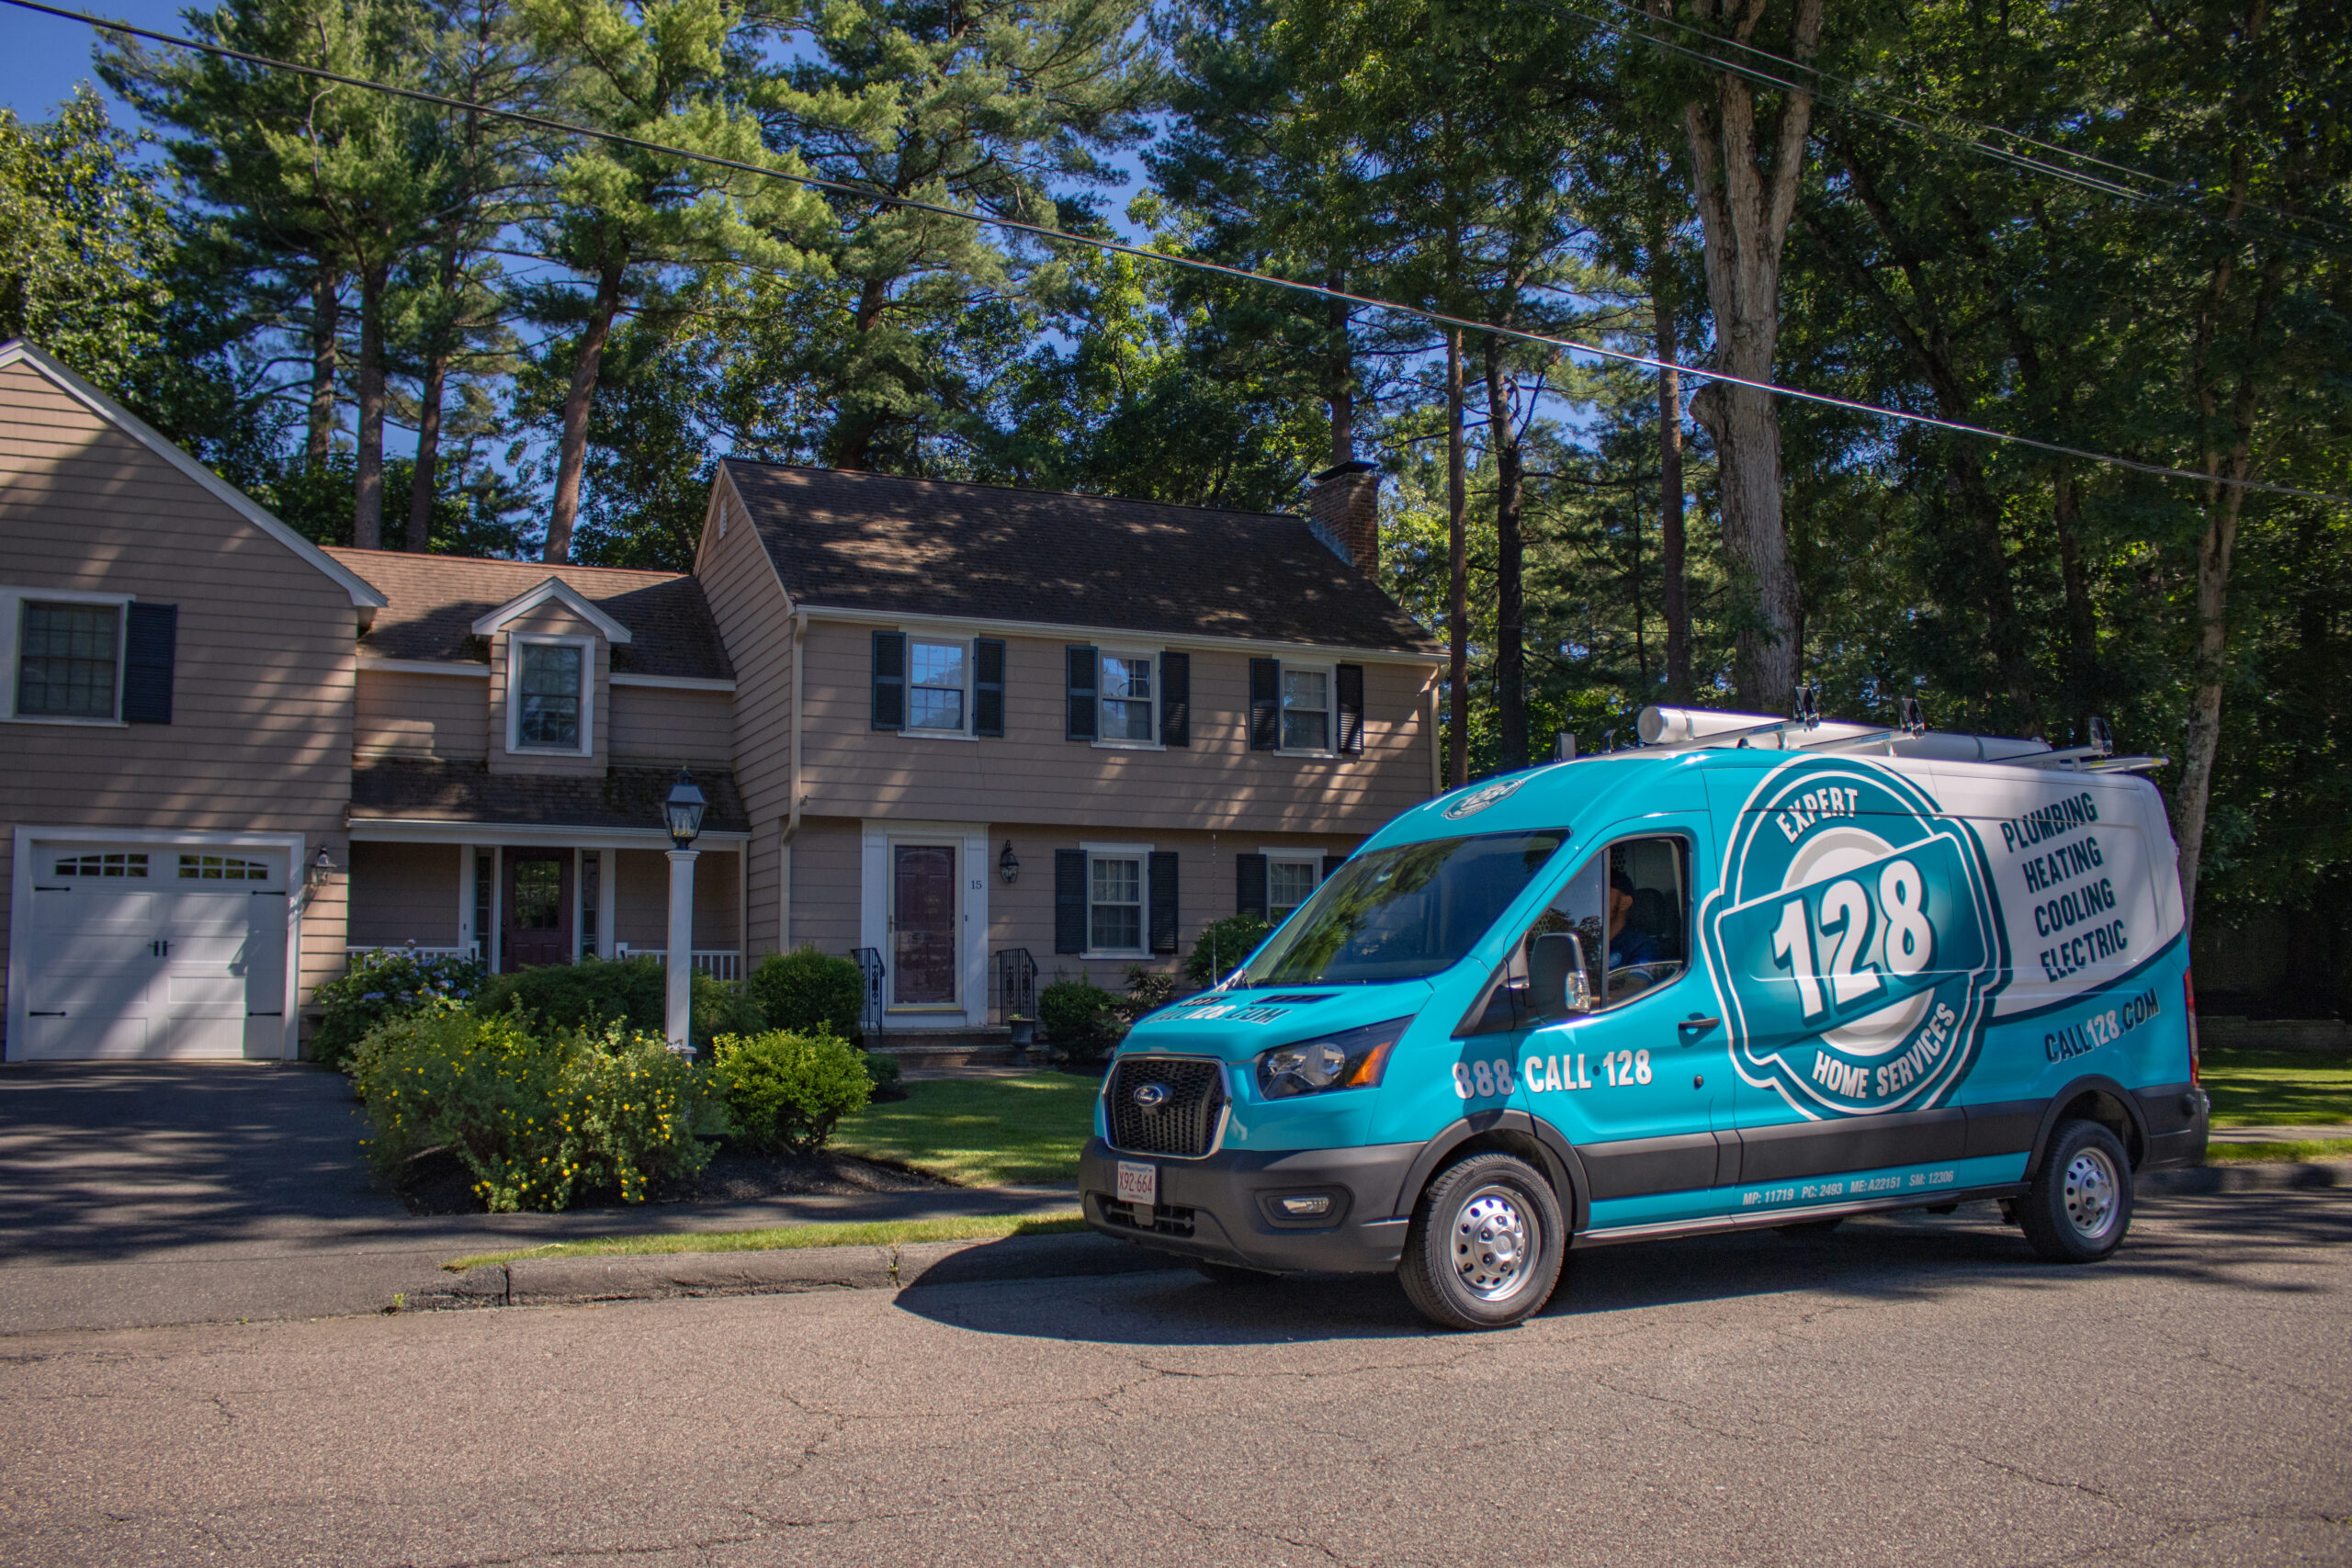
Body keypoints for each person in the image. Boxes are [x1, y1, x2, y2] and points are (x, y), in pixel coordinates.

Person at [1607, 870, 1663, 968]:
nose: (1595, 902)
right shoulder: (1589, 943)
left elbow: (1637, 983)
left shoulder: (1642, 946)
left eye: (1604, 895)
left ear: (1625, 903)